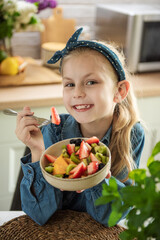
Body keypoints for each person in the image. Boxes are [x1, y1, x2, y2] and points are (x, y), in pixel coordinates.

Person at [15, 28, 145, 226]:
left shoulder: (131, 133)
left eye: (90, 82)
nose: (77, 93)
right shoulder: (52, 131)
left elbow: (110, 217)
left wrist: (95, 173)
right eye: (69, 84)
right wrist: (37, 150)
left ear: (119, 91)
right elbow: (38, 215)